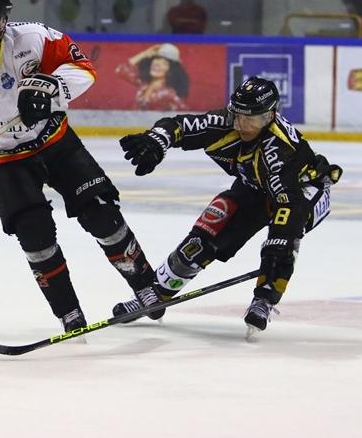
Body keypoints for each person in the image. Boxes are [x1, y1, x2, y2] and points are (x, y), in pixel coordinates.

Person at [0, 0, 159, 333]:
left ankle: (147, 288)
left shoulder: (34, 38)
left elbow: (83, 67)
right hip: (5, 160)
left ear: (2, 21)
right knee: (35, 237)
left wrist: (50, 87)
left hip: (55, 142)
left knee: (102, 213)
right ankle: (69, 314)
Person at [113, 77, 342, 335]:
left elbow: (290, 205)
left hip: (304, 189)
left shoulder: (279, 151)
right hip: (255, 185)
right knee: (201, 239)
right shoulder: (226, 122)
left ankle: (264, 299)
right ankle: (156, 294)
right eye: (238, 116)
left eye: (252, 119)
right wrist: (156, 141)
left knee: (281, 242)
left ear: (270, 116)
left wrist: (278, 250)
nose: (242, 125)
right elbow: (179, 126)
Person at [115, 43, 189, 111]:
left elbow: (184, 113)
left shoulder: (168, 93)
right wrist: (145, 54)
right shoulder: (144, 84)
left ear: (170, 71)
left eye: (165, 63)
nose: (158, 64)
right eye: (156, 59)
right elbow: (120, 70)